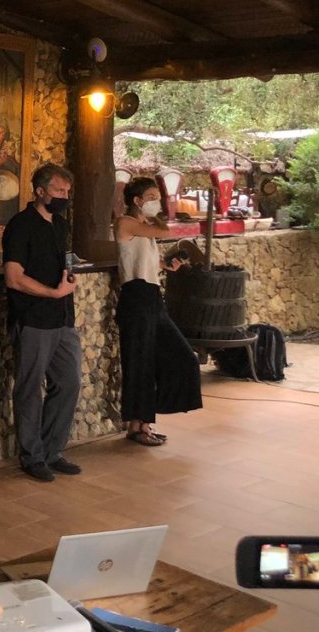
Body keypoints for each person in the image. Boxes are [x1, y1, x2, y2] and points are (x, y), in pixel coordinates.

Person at [2, 163, 82, 482]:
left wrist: (70, 279)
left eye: (67, 192)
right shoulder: (20, 225)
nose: (64, 197)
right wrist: (52, 292)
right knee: (30, 389)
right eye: (59, 191)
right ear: (39, 191)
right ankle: (32, 456)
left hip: (63, 318)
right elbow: (13, 277)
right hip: (33, 318)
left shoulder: (61, 225)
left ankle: (52, 451)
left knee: (69, 382)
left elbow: (64, 263)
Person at [114, 177, 202, 446]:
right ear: (137, 200)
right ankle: (137, 425)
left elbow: (145, 257)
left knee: (182, 356)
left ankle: (148, 416)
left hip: (152, 297)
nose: (157, 202)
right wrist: (159, 218)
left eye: (158, 197)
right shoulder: (126, 223)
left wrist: (165, 264)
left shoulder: (145, 228)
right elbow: (164, 232)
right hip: (135, 296)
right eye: (151, 197)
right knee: (139, 363)